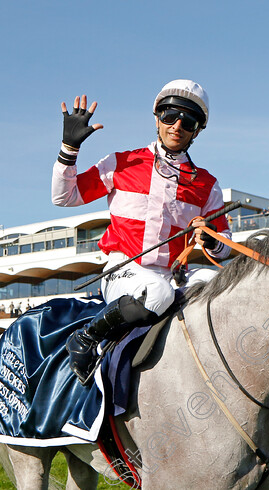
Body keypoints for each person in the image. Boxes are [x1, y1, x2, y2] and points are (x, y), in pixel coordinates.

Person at [51, 80, 231, 384]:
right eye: (170, 115)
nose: (177, 125)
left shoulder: (207, 184)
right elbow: (64, 197)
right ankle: (85, 338)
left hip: (175, 276)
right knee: (158, 294)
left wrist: (211, 238)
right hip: (124, 271)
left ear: (198, 130)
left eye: (188, 120)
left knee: (222, 285)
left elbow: (225, 248)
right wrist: (69, 149)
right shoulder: (121, 163)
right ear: (157, 117)